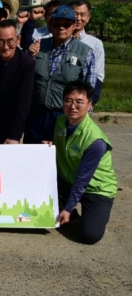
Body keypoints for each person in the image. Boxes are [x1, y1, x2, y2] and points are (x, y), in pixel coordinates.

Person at [48, 80, 117, 245]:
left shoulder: (95, 140)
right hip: (69, 180)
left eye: (79, 102)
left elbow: (83, 180)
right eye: (68, 100)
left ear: (89, 105)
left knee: (90, 236)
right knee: (43, 208)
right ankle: (72, 215)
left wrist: (67, 208)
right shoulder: (60, 122)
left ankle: (81, 214)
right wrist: (49, 146)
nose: (73, 106)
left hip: (96, 188)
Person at [24, 5, 97, 144]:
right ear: (50, 25)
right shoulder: (38, 46)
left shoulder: (85, 52)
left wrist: (81, 119)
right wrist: (30, 55)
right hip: (35, 113)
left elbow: (89, 89)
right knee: (32, 157)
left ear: (73, 25)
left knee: (60, 159)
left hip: (64, 115)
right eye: (57, 24)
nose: (61, 27)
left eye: (66, 24)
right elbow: (26, 77)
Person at [70, 0, 105, 105]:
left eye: (83, 15)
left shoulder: (95, 43)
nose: (78, 18)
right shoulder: (57, 39)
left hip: (80, 100)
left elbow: (98, 75)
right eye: (75, 14)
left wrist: (92, 101)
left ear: (88, 18)